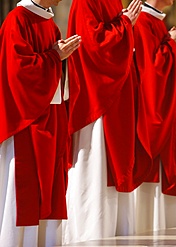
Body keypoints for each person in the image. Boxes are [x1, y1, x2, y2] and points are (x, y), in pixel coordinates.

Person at [0, 0, 81, 246]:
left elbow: (54, 61)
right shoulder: (18, 19)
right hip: (26, 117)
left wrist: (60, 57)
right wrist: (56, 56)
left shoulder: (48, 20)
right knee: (25, 178)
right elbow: (18, 71)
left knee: (51, 177)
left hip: (50, 111)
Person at [63, 0, 142, 244]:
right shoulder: (85, 2)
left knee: (114, 160)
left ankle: (115, 230)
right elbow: (95, 44)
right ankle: (89, 231)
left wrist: (125, 25)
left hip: (116, 94)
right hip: (96, 95)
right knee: (94, 159)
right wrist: (126, 23)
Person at [133, 0, 176, 233]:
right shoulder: (142, 22)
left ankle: (164, 226)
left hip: (168, 102)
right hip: (151, 105)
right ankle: (148, 226)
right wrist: (171, 44)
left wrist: (170, 43)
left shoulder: (156, 21)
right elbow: (150, 69)